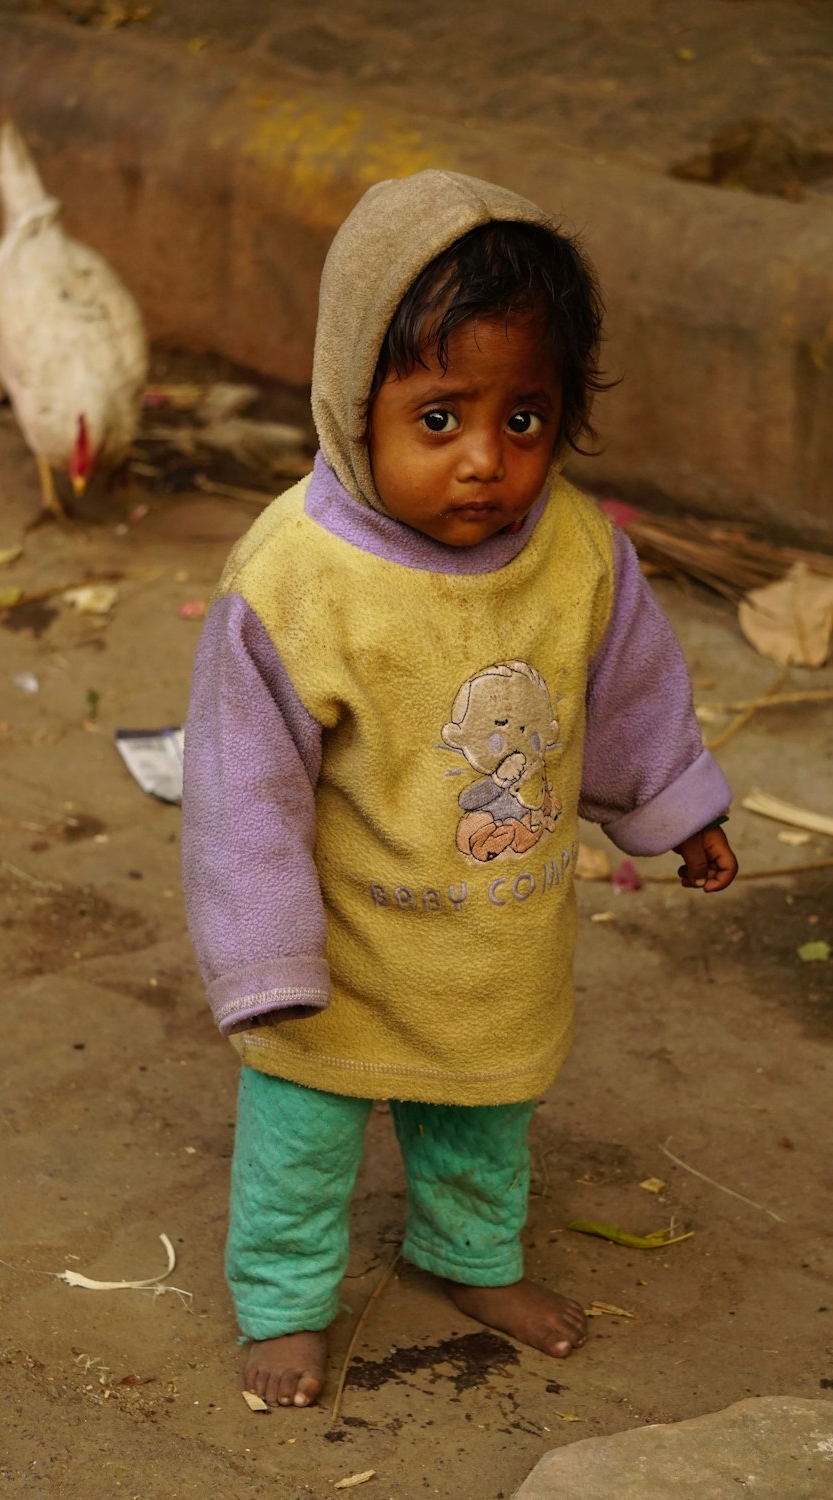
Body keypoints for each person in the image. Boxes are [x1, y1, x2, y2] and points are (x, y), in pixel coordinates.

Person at [181, 169, 738, 1411]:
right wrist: (264, 960)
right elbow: (242, 791)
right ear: (351, 401)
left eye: (524, 419)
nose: (486, 462)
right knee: (304, 1143)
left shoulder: (577, 551)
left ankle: (466, 1255)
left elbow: (632, 687)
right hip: (341, 949)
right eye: (440, 418)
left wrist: (678, 808)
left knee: (487, 1110)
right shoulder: (296, 578)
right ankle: (282, 1302)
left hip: (493, 935)